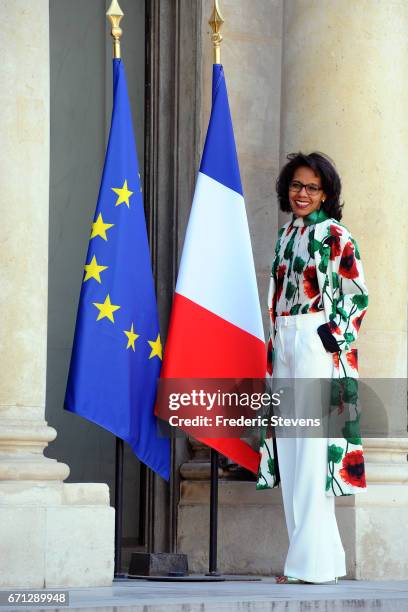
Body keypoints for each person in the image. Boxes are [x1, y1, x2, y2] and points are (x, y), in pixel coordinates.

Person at [256, 152, 369, 584]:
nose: (302, 194)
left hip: (314, 342)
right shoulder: (287, 234)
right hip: (284, 340)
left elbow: (357, 293)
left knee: (311, 454)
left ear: (326, 193)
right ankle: (318, 561)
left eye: (311, 187)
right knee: (290, 448)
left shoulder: (336, 235)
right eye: (296, 186)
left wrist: (331, 337)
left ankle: (307, 564)